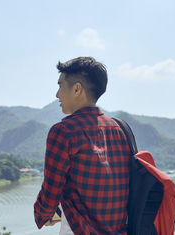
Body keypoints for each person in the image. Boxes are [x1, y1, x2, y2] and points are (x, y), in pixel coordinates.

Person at [34, 57, 131, 234]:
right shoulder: (120, 130)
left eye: (61, 86)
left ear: (77, 89)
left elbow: (51, 192)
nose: (57, 94)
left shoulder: (63, 131)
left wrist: (43, 215)